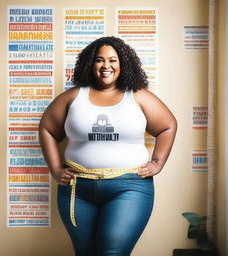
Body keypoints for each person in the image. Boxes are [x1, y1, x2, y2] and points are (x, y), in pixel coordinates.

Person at [39, 36, 177, 256]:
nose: (106, 66)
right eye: (99, 60)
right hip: (77, 188)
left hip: (129, 188)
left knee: (112, 253)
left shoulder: (138, 96)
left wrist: (158, 162)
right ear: (90, 63)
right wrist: (55, 169)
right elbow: (46, 128)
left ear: (123, 64)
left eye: (112, 60)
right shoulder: (73, 97)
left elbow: (168, 126)